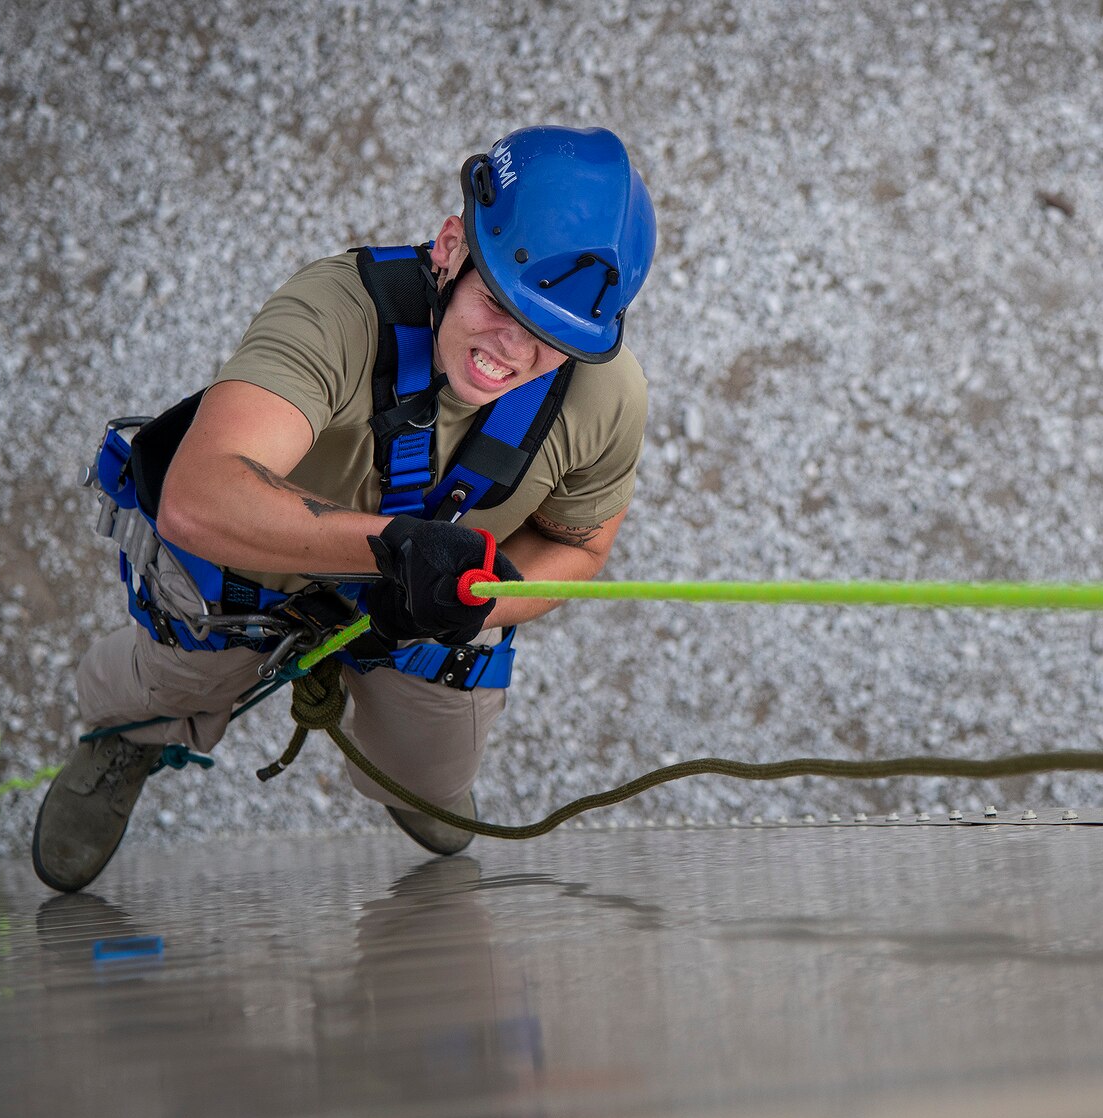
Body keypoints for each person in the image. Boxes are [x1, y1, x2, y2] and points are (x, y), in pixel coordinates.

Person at [32, 125, 655, 894]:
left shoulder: (603, 392)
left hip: (427, 610)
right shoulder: (337, 314)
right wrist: (392, 550)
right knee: (172, 678)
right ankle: (126, 739)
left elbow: (582, 549)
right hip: (247, 575)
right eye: (498, 302)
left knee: (433, 762)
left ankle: (414, 782)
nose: (514, 351)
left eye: (552, 337)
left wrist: (480, 602)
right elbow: (198, 498)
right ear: (451, 248)